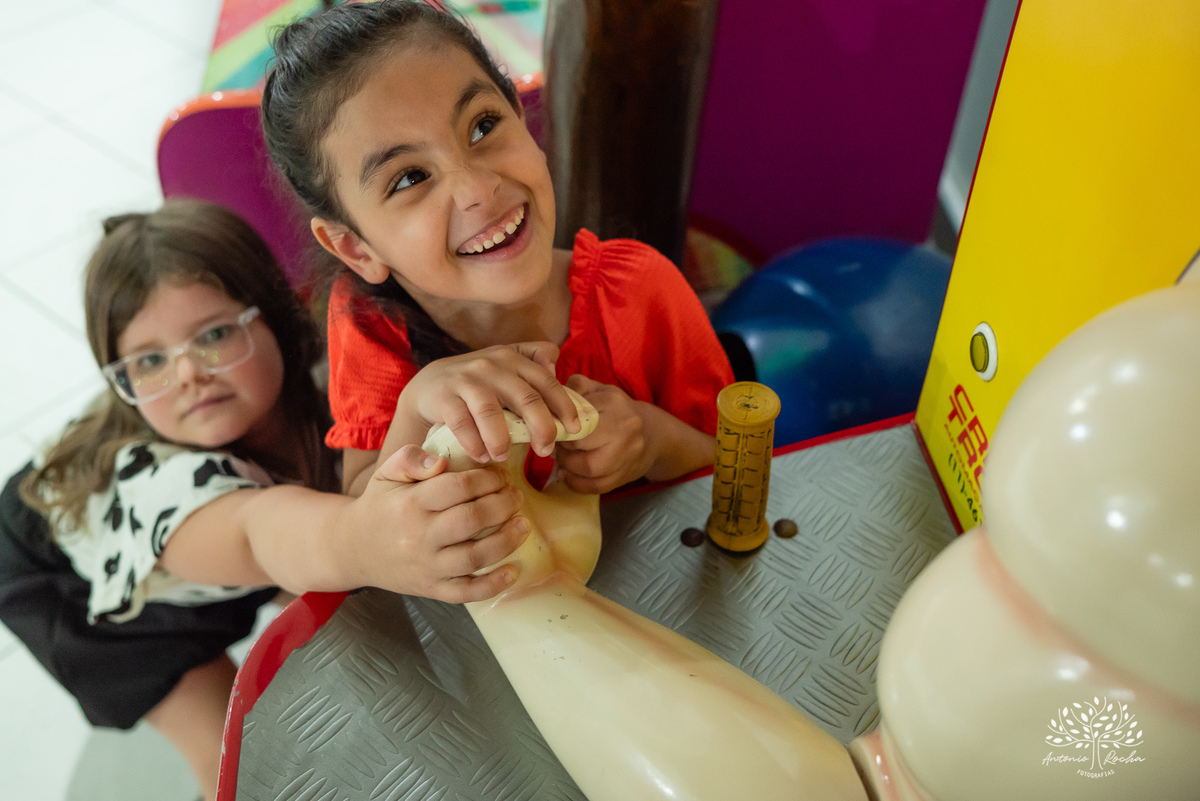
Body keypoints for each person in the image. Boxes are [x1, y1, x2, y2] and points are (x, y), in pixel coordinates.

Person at [0, 199, 530, 801]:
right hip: (78, 589)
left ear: (276, 318)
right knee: (229, 754)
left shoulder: (322, 376)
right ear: (120, 381)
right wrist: (365, 538)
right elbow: (257, 531)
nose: (188, 375)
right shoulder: (161, 488)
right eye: (148, 361)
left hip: (226, 526)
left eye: (215, 335)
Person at [260, 0, 735, 502]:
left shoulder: (640, 290)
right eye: (410, 178)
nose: (477, 188)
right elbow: (362, 508)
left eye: (483, 126)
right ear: (356, 249)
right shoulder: (370, 327)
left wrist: (652, 439)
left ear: (521, 116)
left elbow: (742, 465)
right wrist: (417, 407)